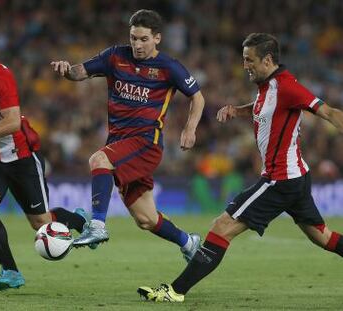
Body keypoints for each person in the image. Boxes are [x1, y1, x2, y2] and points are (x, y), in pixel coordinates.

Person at [137, 32, 343, 302]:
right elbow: (265, 108)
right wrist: (238, 110)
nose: (244, 65)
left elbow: (327, 112)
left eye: (249, 60)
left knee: (221, 227)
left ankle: (175, 291)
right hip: (296, 176)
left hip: (279, 179)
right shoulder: (266, 86)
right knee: (322, 237)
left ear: (267, 60)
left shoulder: (287, 87)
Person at [51, 9, 205, 261]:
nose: (137, 44)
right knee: (146, 219)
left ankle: (97, 226)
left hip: (146, 143)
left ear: (157, 38)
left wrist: (190, 129)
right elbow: (80, 72)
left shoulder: (169, 67)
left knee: (98, 160)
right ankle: (188, 242)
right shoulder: (115, 56)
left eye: (143, 39)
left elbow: (197, 97)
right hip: (120, 144)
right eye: (133, 38)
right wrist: (66, 69)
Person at [0, 21, 91, 291]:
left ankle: (79, 221)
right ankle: (11, 271)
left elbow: (13, 122)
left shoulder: (2, 76)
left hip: (21, 156)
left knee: (40, 223)